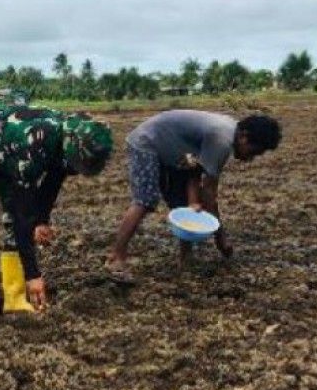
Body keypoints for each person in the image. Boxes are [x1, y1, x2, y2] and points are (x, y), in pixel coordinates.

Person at [0, 105, 113, 314]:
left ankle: (14, 298)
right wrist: (32, 275)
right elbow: (21, 213)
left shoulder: (67, 144)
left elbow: (52, 183)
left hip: (10, 154)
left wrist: (42, 220)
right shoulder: (36, 142)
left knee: (14, 223)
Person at [105, 110, 282, 282]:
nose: (251, 158)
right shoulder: (221, 140)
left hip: (176, 151)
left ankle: (186, 258)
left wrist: (192, 201)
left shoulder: (229, 132)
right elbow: (209, 193)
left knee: (185, 205)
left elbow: (195, 172)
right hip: (148, 142)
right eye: (253, 151)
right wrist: (221, 238)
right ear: (244, 135)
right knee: (146, 200)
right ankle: (116, 257)